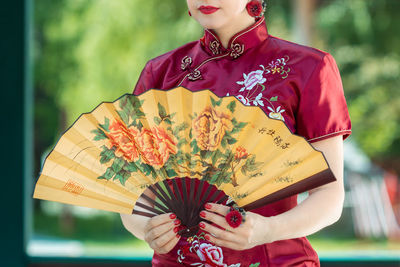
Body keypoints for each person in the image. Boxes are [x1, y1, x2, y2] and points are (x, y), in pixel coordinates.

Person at [120, 0, 351, 266]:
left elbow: (329, 196)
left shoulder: (309, 68)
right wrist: (148, 229)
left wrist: (266, 230)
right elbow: (133, 195)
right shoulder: (161, 73)